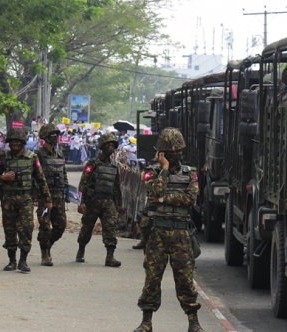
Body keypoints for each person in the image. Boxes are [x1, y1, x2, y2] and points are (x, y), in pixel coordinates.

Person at [134, 127, 204, 332]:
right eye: (169, 153)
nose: (174, 155)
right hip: (157, 234)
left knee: (185, 280)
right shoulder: (151, 172)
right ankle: (146, 322)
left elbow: (190, 199)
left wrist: (164, 198)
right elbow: (152, 191)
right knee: (152, 279)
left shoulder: (190, 173)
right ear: (161, 154)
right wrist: (163, 169)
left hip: (181, 235)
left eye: (175, 152)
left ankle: (194, 322)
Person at [0, 128, 52, 273]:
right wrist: (2, 178)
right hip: (8, 199)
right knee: (9, 229)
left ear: (23, 142)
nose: (15, 144)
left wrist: (48, 199)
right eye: (12, 142)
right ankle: (12, 261)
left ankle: (23, 260)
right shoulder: (4, 157)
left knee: (26, 228)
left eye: (18, 141)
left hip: (26, 198)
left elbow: (41, 179)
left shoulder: (32, 158)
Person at [76, 133, 124, 267]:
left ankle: (110, 256)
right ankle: (81, 250)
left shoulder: (114, 166)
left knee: (110, 228)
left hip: (108, 202)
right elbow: (83, 183)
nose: (111, 148)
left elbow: (116, 186)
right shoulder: (93, 163)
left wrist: (119, 204)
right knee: (87, 227)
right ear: (102, 147)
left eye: (113, 145)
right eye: (108, 145)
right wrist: (81, 203)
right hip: (93, 201)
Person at [35, 124, 69, 266]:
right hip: (44, 196)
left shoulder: (60, 154)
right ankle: (45, 254)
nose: (55, 137)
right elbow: (35, 176)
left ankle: (47, 244)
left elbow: (64, 174)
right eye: (52, 135)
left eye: (56, 134)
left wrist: (66, 192)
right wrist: (37, 196)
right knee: (44, 225)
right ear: (45, 137)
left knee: (60, 226)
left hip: (58, 195)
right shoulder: (38, 155)